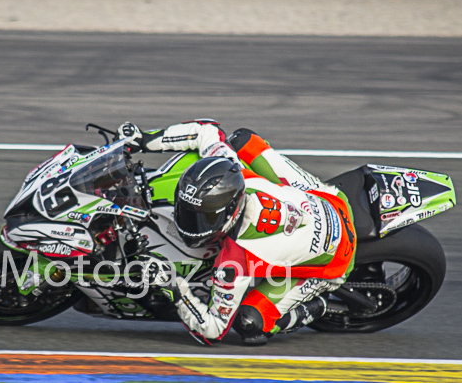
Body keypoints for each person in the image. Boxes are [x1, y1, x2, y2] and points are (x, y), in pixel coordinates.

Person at [117, 119, 357, 346]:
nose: (189, 224)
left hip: (335, 261)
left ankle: (317, 306)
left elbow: (213, 329)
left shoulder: (236, 260)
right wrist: (144, 140)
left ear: (229, 214)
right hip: (330, 199)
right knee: (242, 139)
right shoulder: (235, 171)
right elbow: (206, 131)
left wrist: (173, 286)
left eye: (203, 219)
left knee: (250, 323)